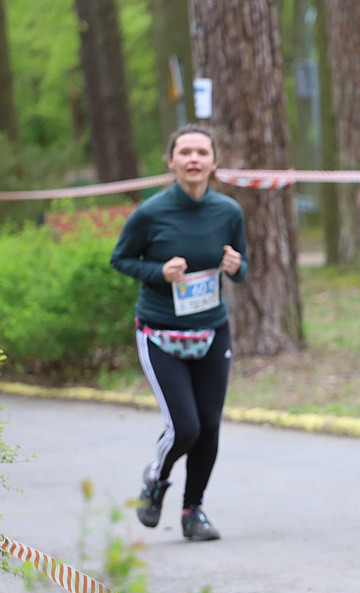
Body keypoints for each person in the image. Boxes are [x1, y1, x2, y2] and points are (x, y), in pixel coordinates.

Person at [110, 124, 248, 542]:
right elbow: (120, 259)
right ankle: (156, 481)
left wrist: (234, 267)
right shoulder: (150, 213)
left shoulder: (228, 211)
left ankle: (194, 511)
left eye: (201, 152)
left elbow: (241, 268)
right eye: (184, 152)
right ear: (170, 161)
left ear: (213, 162)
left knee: (208, 427)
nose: (193, 159)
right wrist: (159, 272)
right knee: (184, 427)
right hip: (160, 333)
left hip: (211, 331)